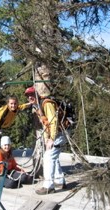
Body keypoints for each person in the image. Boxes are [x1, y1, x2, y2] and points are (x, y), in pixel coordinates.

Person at [31, 65, 68, 195]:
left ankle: (48, 186)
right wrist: (47, 138)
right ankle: (59, 180)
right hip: (58, 133)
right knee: (53, 156)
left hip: (59, 133)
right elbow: (47, 123)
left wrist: (51, 138)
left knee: (48, 157)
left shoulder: (47, 103)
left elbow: (53, 121)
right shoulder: (42, 103)